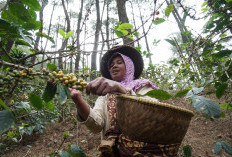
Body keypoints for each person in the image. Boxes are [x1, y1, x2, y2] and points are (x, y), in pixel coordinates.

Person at [70, 45, 179, 156]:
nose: (114, 66)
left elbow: (154, 113)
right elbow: (96, 125)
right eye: (111, 65)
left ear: (129, 66)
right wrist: (78, 101)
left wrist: (122, 90)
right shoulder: (105, 96)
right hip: (112, 152)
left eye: (119, 62)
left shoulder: (143, 87)